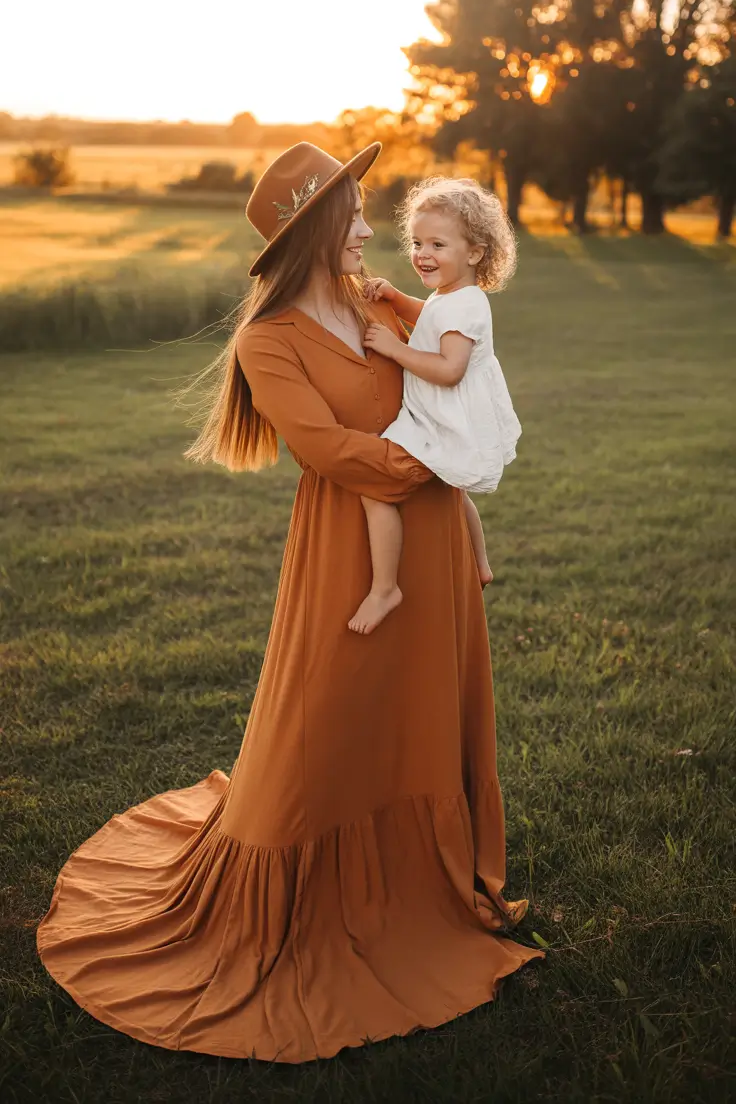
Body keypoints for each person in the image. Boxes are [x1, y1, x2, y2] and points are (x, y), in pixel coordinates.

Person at [36, 141, 544, 1064]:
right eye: (350, 214)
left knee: (421, 711)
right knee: (331, 717)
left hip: (428, 534)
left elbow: (449, 390)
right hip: (351, 548)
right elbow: (323, 451)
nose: (366, 228)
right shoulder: (267, 341)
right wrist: (432, 471)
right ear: (311, 229)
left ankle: (426, 889)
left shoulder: (375, 301)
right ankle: (314, 902)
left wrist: (460, 505)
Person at [348, 176, 521, 635]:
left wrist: (392, 348)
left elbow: (449, 369)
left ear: (476, 253)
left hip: (440, 418)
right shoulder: (454, 296)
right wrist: (394, 296)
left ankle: (386, 587)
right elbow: (431, 317)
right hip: (447, 414)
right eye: (417, 241)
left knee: (374, 485)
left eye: (438, 244)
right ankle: (480, 563)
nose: (423, 253)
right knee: (455, 489)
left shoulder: (464, 307)